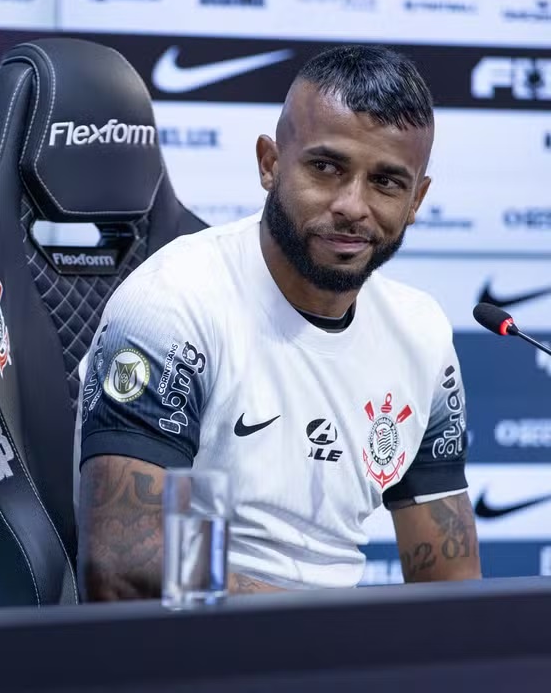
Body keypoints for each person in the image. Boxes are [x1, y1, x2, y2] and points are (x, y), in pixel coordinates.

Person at [74, 45, 480, 599]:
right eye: (326, 167)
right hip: (193, 660)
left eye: (386, 182)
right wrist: (339, 642)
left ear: (417, 199)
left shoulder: (421, 334)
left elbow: (448, 581)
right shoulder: (180, 304)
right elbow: (131, 567)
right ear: (270, 163)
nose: (352, 206)